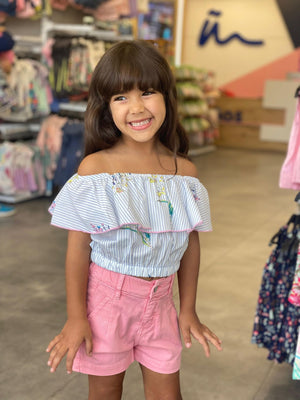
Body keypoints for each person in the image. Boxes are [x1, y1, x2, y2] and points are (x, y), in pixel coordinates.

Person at [46, 40, 222, 400]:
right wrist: (76, 316)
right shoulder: (96, 170)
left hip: (161, 304)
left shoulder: (185, 173)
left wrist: (188, 309)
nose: (137, 107)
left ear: (167, 98)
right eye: (121, 97)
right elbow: (78, 248)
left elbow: (190, 243)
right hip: (107, 304)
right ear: (105, 107)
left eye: (147, 92)